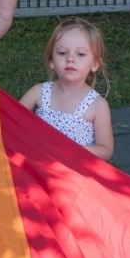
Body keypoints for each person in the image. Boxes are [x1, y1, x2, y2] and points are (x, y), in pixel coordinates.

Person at [19, 16, 114, 160]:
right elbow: (11, 120)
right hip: (37, 166)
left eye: (81, 54)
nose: (70, 59)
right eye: (62, 52)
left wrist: (70, 151)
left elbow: (105, 150)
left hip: (75, 171)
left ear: (95, 64)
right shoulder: (39, 92)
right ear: (51, 60)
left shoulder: (97, 105)